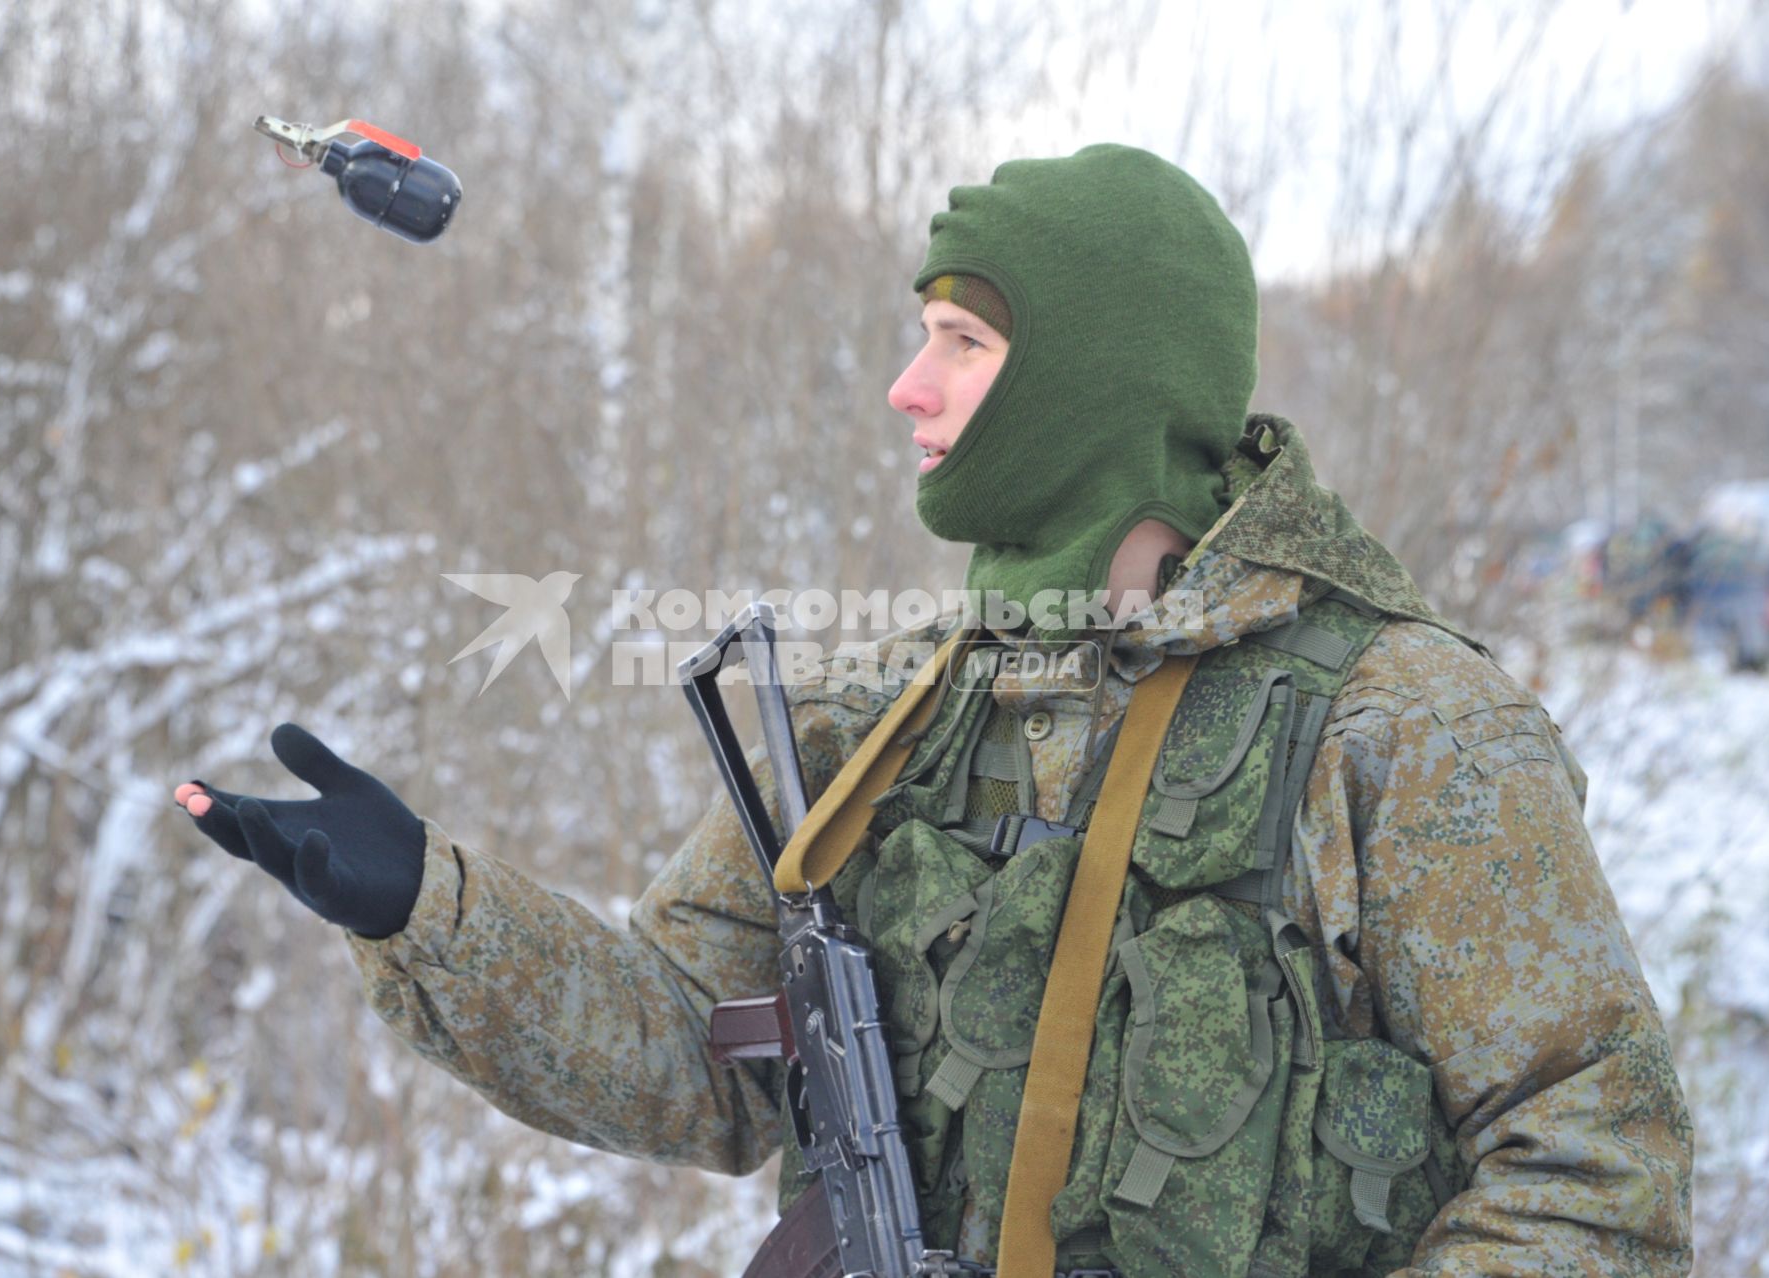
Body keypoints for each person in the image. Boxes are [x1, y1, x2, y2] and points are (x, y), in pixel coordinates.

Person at [176, 144, 1693, 1275]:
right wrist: (430, 908)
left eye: (962, 343)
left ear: (1095, 383)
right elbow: (693, 1053)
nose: (908, 388)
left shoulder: (1402, 725)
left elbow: (1594, 1162)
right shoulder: (885, 714)